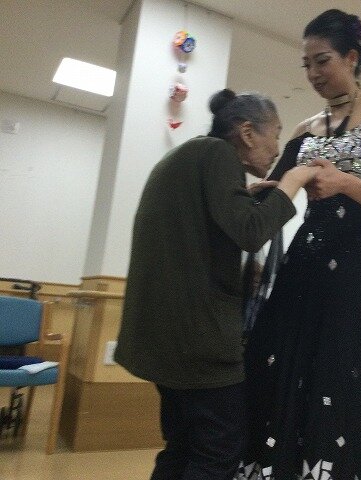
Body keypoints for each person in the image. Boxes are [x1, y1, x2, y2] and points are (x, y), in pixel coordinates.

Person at [241, 9, 361, 480]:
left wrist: (345, 182)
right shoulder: (304, 128)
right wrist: (250, 188)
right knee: (290, 357)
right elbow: (277, 186)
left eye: (322, 61)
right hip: (306, 257)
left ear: (351, 57)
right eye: (306, 64)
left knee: (345, 363)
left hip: (356, 259)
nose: (313, 74)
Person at [114, 89, 318, 480]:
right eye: (275, 134)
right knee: (218, 453)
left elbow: (199, 233)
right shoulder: (218, 154)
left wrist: (246, 197)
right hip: (198, 344)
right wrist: (292, 181)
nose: (278, 148)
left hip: (165, 338)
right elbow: (250, 231)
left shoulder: (188, 155)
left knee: (180, 448)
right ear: (247, 133)